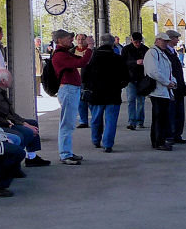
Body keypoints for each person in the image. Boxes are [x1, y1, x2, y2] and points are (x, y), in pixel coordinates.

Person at [0, 68, 50, 167]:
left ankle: (31, 157)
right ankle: (14, 161)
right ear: (3, 81)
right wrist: (23, 124)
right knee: (26, 133)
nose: (12, 80)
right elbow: (6, 115)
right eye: (10, 78)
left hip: (8, 121)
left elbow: (11, 113)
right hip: (3, 124)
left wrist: (25, 122)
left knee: (32, 123)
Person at [82, 33, 129, 153]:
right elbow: (126, 76)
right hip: (113, 94)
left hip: (95, 94)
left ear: (101, 42)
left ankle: (96, 140)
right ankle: (108, 144)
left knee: (96, 118)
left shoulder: (92, 58)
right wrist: (120, 85)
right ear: (113, 43)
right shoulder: (118, 59)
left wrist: (88, 87)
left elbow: (84, 75)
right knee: (111, 120)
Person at [50, 28, 92, 165]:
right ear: (60, 40)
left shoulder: (64, 54)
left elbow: (81, 59)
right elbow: (81, 62)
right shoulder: (60, 55)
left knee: (68, 123)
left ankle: (67, 151)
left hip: (71, 90)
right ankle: (65, 154)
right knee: (66, 124)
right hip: (68, 90)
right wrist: (90, 48)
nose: (71, 40)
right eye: (68, 38)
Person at [144, 32, 176, 151]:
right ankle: (158, 142)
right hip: (157, 91)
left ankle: (161, 140)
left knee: (162, 117)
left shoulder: (161, 53)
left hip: (163, 91)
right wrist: (168, 83)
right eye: (163, 41)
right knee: (158, 118)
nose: (165, 43)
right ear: (157, 40)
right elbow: (154, 72)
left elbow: (168, 71)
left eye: (167, 41)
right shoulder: (152, 53)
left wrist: (173, 81)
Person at [163, 29, 186, 144]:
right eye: (176, 38)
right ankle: (171, 135)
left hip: (179, 88)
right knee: (171, 113)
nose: (178, 40)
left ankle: (177, 134)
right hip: (171, 88)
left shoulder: (173, 52)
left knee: (179, 113)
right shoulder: (165, 53)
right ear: (170, 39)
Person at [122, 32, 149, 130]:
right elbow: (123, 63)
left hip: (142, 79)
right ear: (131, 40)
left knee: (141, 101)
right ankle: (131, 121)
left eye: (139, 42)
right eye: (135, 42)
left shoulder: (145, 49)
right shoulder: (126, 50)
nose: (137, 44)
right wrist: (135, 62)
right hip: (130, 78)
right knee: (131, 100)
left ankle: (140, 121)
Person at [74, 33, 92, 127]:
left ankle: (95, 120)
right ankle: (83, 121)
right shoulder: (72, 51)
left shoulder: (91, 51)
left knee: (91, 102)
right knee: (80, 102)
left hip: (89, 80)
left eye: (82, 39)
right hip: (77, 80)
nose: (80, 41)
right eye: (78, 39)